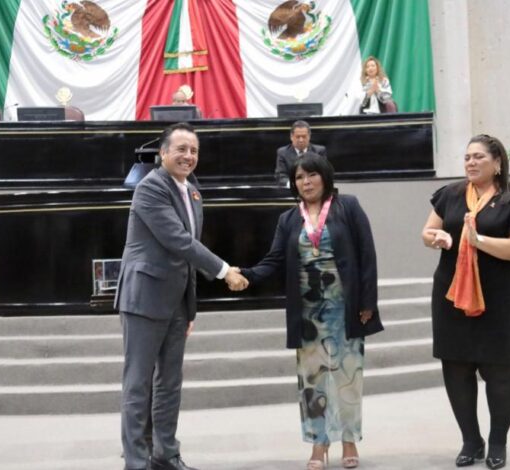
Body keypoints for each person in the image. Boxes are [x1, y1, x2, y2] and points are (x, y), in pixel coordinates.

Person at [115, 122, 248, 470]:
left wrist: (190, 309)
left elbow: (187, 258)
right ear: (163, 153)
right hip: (143, 300)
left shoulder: (192, 192)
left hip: (175, 303)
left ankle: (165, 454)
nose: (188, 156)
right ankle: (136, 461)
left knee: (170, 385)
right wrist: (224, 270)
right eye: (181, 149)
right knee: (138, 385)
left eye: (194, 150)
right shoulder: (150, 188)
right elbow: (178, 241)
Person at [240, 152, 383, 470]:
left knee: (348, 378)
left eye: (311, 175)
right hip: (307, 314)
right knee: (311, 382)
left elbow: (367, 255)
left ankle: (348, 440)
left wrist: (367, 304)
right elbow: (275, 260)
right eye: (299, 178)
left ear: (325, 176)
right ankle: (319, 443)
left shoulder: (349, 207)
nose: (305, 182)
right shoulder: (289, 219)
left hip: (345, 308)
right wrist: (246, 275)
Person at [421, 134, 510, 470]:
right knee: (456, 367)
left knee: (499, 369)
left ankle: (498, 440)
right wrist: (438, 237)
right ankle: (471, 441)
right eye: (467, 157)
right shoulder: (450, 194)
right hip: (451, 294)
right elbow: (427, 232)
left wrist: (479, 240)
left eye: (478, 157)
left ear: (498, 162)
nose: (471, 163)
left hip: (498, 296)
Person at [274, 120, 327, 186]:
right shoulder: (282, 152)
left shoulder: (319, 151)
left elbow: (324, 174)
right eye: (298, 137)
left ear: (309, 136)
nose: (301, 140)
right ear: (291, 137)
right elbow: (280, 176)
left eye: (304, 137)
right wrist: (294, 185)